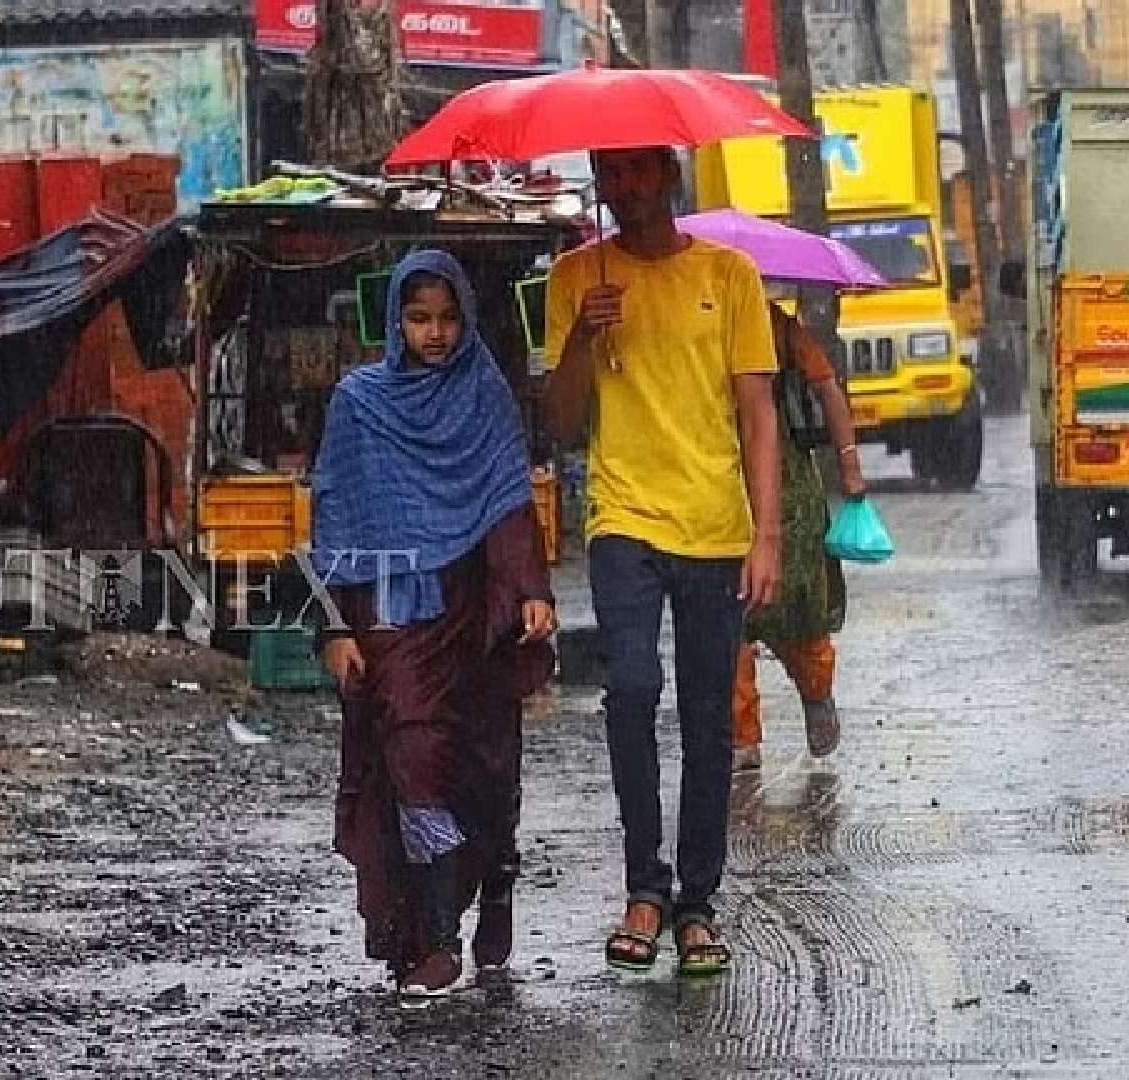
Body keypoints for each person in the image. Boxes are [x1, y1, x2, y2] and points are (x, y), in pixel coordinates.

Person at [542, 146, 781, 978]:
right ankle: (645, 884)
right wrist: (581, 335)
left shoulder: (732, 274)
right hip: (623, 519)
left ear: (671, 180)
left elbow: (757, 413)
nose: (629, 189)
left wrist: (769, 535)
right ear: (600, 184)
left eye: (644, 172)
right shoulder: (575, 277)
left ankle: (696, 905)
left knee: (709, 716)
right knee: (633, 685)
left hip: (715, 526)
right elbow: (564, 423)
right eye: (613, 174)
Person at [312, 250, 558, 1004]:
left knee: (483, 766)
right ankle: (434, 939)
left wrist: (530, 592)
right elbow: (334, 514)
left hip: (475, 610)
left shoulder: (483, 393)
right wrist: (332, 628)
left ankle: (497, 882)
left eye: (448, 317)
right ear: (393, 321)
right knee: (413, 758)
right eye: (419, 317)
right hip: (391, 613)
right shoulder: (359, 403)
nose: (436, 333)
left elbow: (508, 499)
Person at [732, 301, 870, 772]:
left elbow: (827, 387)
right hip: (719, 485)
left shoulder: (778, 327)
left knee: (803, 607)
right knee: (730, 621)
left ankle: (816, 693)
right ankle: (742, 736)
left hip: (791, 493)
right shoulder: (692, 323)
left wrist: (849, 463)